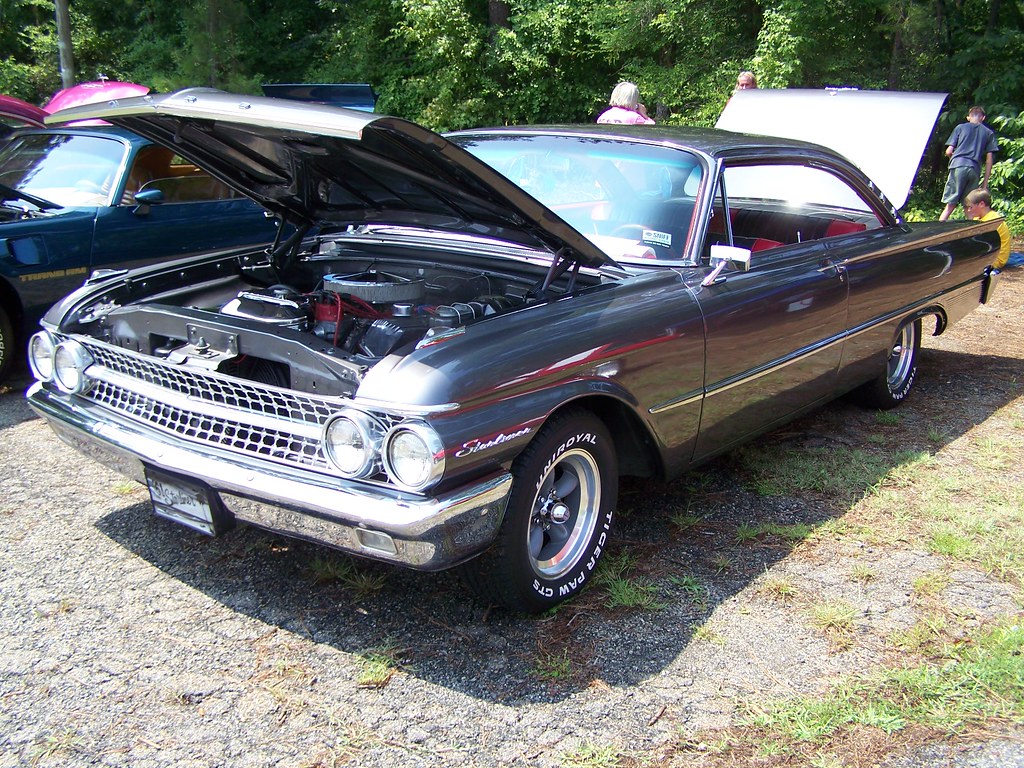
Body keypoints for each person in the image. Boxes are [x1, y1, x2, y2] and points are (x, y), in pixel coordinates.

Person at [939, 106, 999, 221]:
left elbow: (948, 151)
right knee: (969, 205)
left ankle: (936, 232)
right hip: (974, 169)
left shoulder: (960, 128)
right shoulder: (988, 133)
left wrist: (955, 159)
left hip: (958, 166)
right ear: (983, 118)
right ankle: (971, 234)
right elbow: (989, 160)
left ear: (968, 117)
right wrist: (985, 185)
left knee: (950, 205)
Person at [964, 188, 1011, 270]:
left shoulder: (992, 221)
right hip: (987, 254)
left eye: (970, 207)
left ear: (981, 204)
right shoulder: (978, 219)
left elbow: (978, 245)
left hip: (995, 260)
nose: (968, 210)